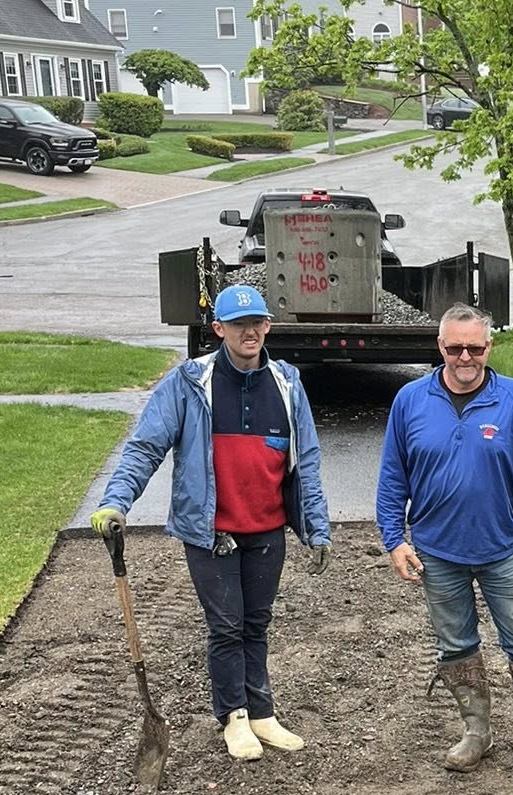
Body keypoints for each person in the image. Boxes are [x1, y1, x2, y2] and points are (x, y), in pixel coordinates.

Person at [90, 284, 332, 763]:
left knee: (257, 623)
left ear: (268, 326)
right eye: (238, 324)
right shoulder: (190, 383)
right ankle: (234, 718)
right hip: (211, 533)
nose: (249, 332)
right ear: (218, 329)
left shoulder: (287, 383)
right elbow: (145, 447)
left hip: (266, 529)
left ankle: (262, 713)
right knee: (226, 626)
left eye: (257, 323)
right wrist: (117, 501)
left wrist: (317, 526)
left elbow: (306, 458)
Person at [377, 302, 513, 785]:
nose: (465, 357)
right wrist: (395, 540)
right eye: (455, 348)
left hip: (500, 549)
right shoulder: (411, 401)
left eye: (474, 348)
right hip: (436, 552)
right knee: (455, 643)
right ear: (440, 348)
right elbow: (393, 476)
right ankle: (477, 731)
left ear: (488, 347)